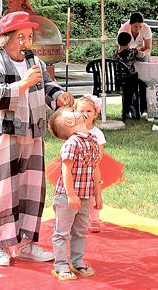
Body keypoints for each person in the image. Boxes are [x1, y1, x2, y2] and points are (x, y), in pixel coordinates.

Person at [0, 11, 74, 267]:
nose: (27, 42)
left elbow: (48, 86)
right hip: (0, 136)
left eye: (29, 36)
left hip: (31, 133)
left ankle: (28, 243)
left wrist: (59, 97)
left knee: (30, 191)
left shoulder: (35, 63)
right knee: (0, 191)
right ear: (6, 38)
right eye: (21, 36)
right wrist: (22, 84)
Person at [46, 95, 124, 234]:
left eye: (89, 111)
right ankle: (71, 217)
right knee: (74, 191)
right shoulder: (72, 135)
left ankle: (94, 219)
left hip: (92, 165)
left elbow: (98, 154)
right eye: (81, 111)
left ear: (95, 114)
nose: (85, 114)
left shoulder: (97, 133)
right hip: (77, 165)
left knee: (93, 194)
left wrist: (92, 159)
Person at [47, 106, 102, 281]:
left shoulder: (92, 141)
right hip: (66, 197)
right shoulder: (72, 143)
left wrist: (97, 194)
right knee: (62, 232)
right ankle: (61, 265)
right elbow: (66, 169)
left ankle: (77, 261)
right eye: (73, 110)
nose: (79, 111)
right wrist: (70, 194)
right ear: (70, 122)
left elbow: (95, 170)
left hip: (85, 196)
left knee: (79, 231)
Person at [113, 31, 147, 117]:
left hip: (118, 80)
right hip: (130, 79)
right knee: (143, 84)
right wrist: (140, 50)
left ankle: (127, 109)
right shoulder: (132, 52)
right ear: (129, 43)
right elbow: (141, 55)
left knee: (128, 90)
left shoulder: (115, 54)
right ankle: (141, 108)